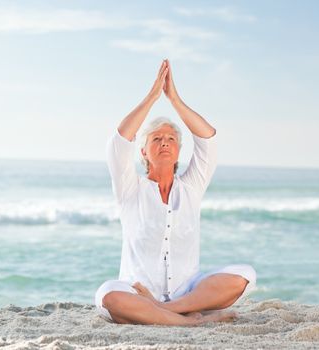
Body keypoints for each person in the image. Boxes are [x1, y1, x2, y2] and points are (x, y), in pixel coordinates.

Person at [94, 59, 257, 326]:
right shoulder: (130, 187)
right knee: (108, 296)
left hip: (187, 292)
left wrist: (175, 100)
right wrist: (152, 97)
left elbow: (208, 139)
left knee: (244, 276)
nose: (165, 142)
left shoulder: (191, 186)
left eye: (171, 139)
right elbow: (119, 141)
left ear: (179, 150)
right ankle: (188, 321)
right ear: (144, 151)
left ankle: (163, 309)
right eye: (156, 139)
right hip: (136, 291)